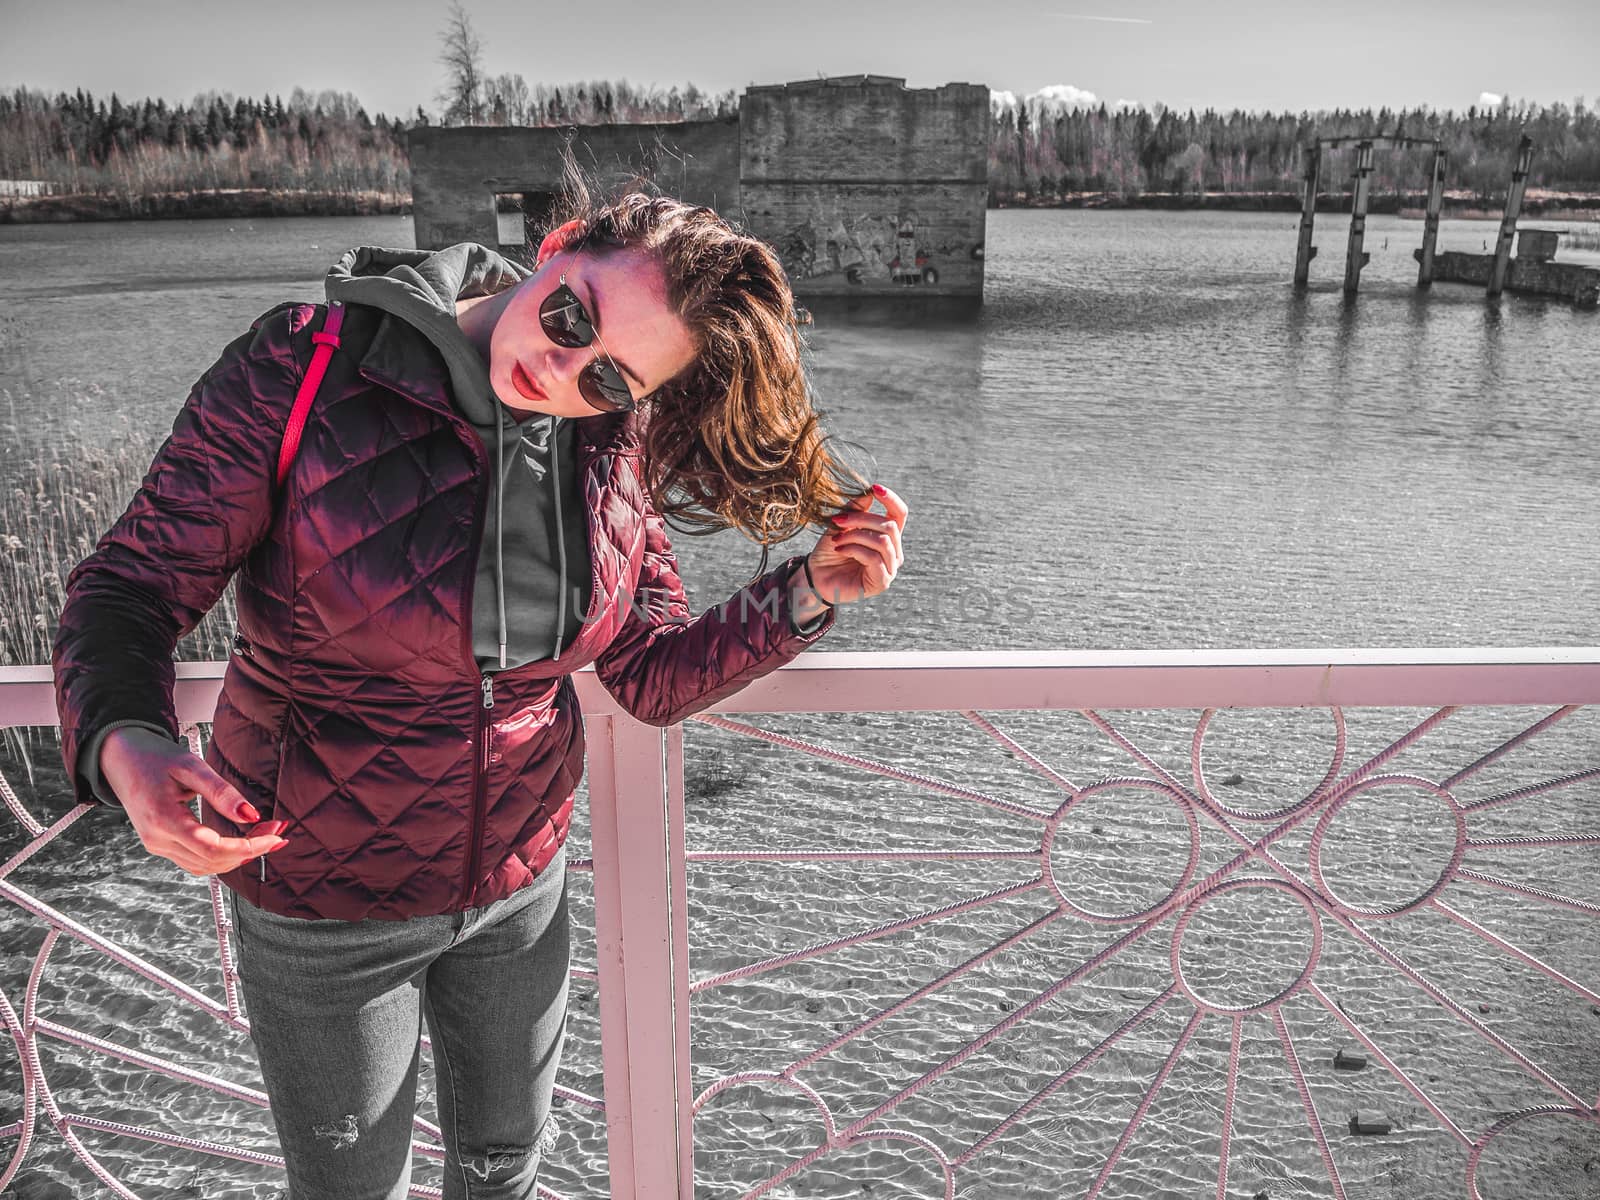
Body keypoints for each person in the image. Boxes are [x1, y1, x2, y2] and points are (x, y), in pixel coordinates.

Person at [52, 187, 907, 1199]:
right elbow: (131, 589)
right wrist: (128, 744)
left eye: (608, 376)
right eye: (570, 317)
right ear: (551, 249)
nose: (561, 370)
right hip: (323, 898)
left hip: (518, 893)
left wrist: (807, 592)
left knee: (501, 1173)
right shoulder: (303, 367)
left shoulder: (613, 442)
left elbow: (646, 669)